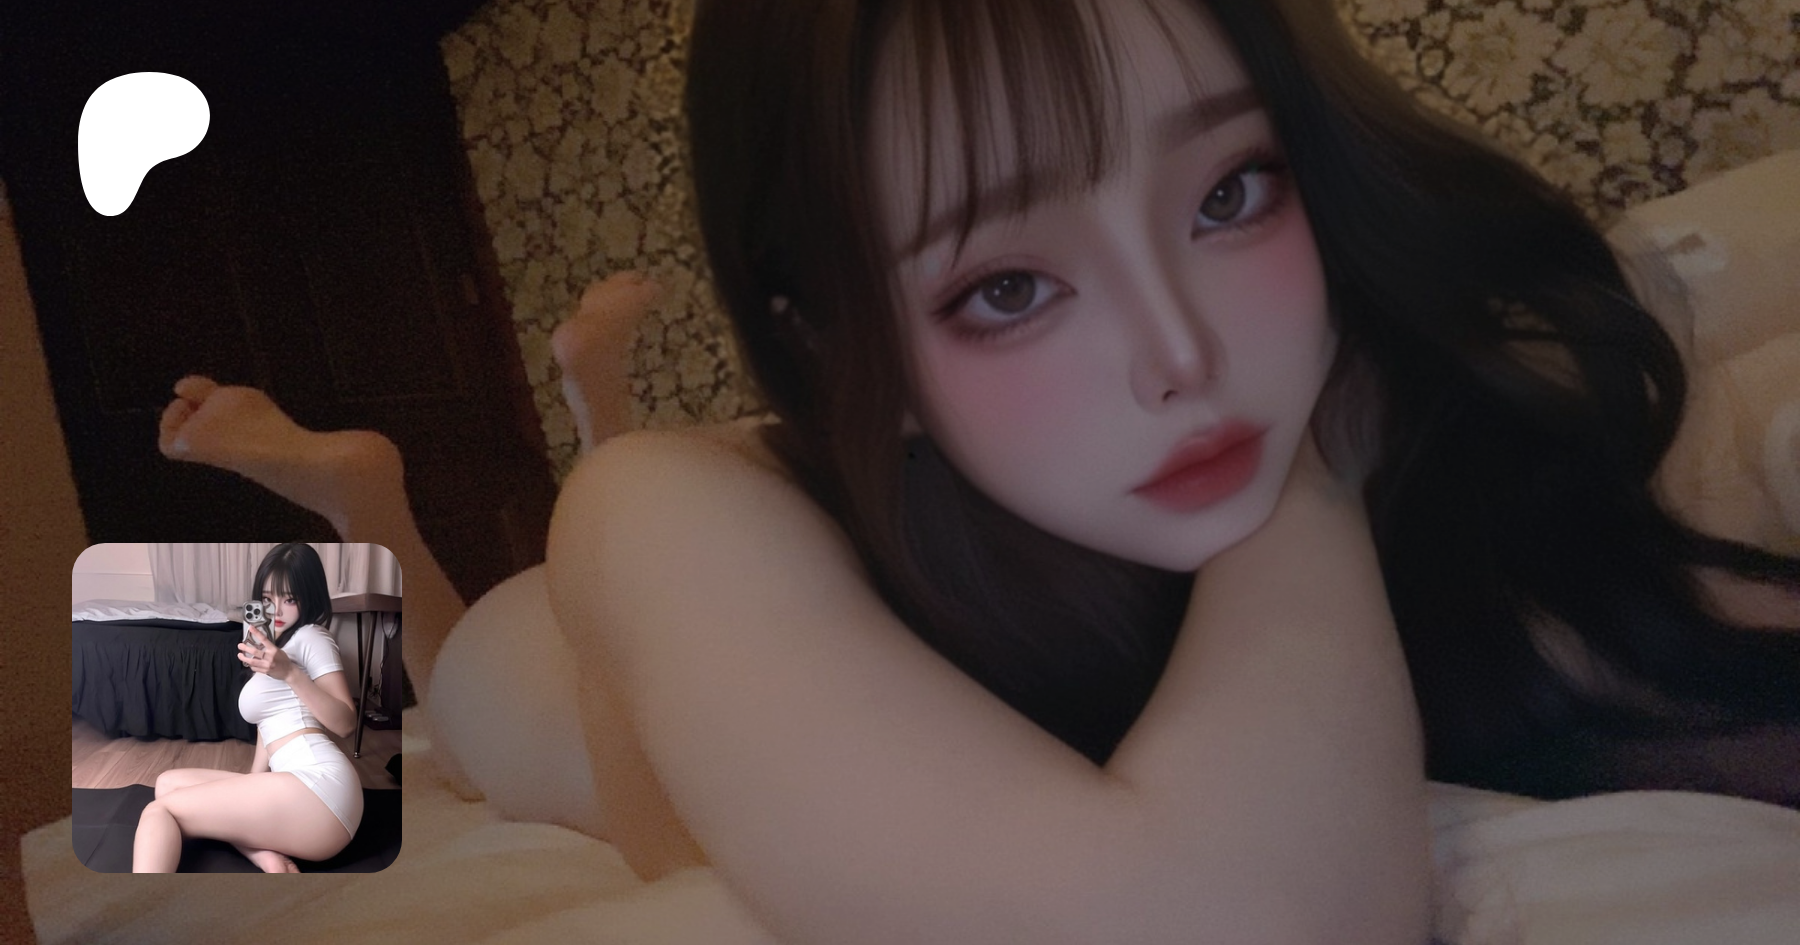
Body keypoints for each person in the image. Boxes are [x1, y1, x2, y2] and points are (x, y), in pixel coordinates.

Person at [151, 0, 1800, 939]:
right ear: (828, 342)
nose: (1183, 354)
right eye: (1006, 286)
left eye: (1229, 192)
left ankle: (562, 420)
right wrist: (1308, 472)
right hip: (566, 655)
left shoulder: (1392, 375)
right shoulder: (674, 511)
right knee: (448, 714)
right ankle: (373, 504)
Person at [131, 542, 363, 872]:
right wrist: (250, 784)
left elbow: (346, 723)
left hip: (321, 789)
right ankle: (269, 858)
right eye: (267, 600)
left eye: (290, 599)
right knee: (167, 784)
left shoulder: (313, 637)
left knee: (159, 811)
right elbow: (268, 724)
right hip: (296, 787)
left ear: (309, 598)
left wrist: (291, 673)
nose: (276, 611)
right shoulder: (274, 648)